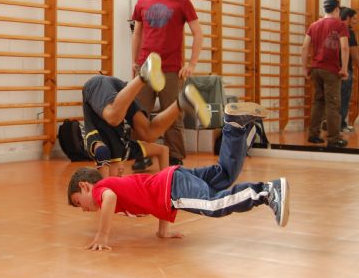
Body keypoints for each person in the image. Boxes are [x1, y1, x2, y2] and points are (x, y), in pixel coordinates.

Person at [68, 102, 289, 251]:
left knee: (213, 205)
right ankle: (235, 125)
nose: (85, 209)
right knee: (224, 173)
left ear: (85, 186)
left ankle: (268, 191)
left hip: (173, 187)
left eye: (79, 202)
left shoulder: (102, 190)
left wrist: (102, 235)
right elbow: (154, 199)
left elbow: (108, 199)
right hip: (172, 179)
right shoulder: (115, 187)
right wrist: (162, 231)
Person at [82, 53, 211, 178]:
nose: (121, 175)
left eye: (117, 176)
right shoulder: (126, 150)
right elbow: (162, 151)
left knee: (113, 118)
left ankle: (143, 75)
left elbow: (102, 154)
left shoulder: (96, 146)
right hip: (122, 91)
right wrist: (164, 185)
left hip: (96, 85)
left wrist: (105, 183)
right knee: (149, 132)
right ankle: (182, 101)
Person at [131, 0, 204, 166]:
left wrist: (191, 63)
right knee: (139, 114)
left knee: (172, 115)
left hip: (171, 69)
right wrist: (135, 62)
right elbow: (137, 33)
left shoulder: (181, 2)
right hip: (145, 69)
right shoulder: (142, 3)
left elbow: (198, 34)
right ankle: (142, 154)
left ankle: (175, 156)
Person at [302, 0, 349, 148]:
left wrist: (304, 68)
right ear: (336, 9)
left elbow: (304, 47)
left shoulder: (314, 25)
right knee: (333, 104)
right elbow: (344, 47)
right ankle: (334, 138)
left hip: (315, 69)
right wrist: (344, 68)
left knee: (318, 102)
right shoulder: (340, 25)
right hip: (330, 70)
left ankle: (313, 135)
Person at [339, 7, 359, 132]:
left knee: (334, 98)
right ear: (347, 17)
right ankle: (341, 125)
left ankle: (332, 124)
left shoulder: (334, 29)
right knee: (344, 97)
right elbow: (353, 53)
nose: (356, 21)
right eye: (354, 18)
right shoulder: (348, 32)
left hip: (333, 69)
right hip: (345, 70)